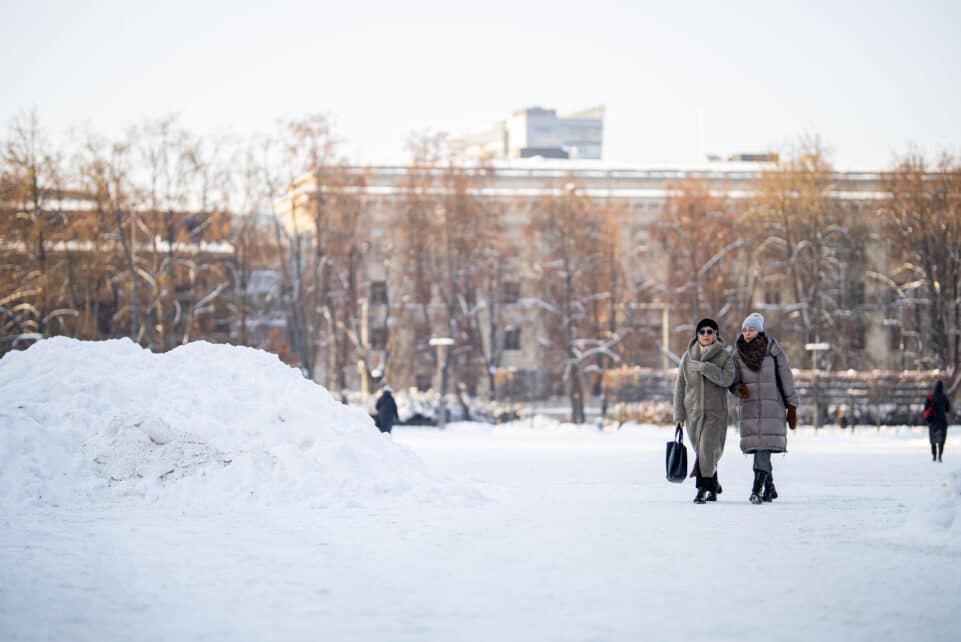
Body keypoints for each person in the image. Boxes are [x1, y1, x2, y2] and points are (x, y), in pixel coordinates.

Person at [730, 313, 800, 504]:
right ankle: (769, 488)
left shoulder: (773, 350)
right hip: (751, 409)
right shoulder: (736, 353)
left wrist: (792, 405)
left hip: (772, 408)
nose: (747, 333)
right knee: (761, 448)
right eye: (744, 330)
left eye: (751, 329)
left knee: (763, 448)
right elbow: (732, 380)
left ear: (759, 330)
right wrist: (738, 389)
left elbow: (786, 377)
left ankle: (756, 490)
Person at [673, 318, 736, 504]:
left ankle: (701, 489)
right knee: (703, 453)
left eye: (710, 331)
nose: (706, 335)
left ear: (716, 334)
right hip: (693, 414)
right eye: (702, 331)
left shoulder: (725, 356)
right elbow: (680, 388)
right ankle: (713, 486)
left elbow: (728, 379)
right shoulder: (687, 357)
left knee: (706, 449)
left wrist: (706, 368)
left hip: (715, 413)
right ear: (697, 334)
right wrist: (679, 416)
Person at [923, 380, 951, 462]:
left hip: (933, 421)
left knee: (933, 438)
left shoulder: (931, 397)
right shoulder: (944, 397)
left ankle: (934, 456)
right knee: (941, 439)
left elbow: (925, 408)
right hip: (942, 421)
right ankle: (940, 456)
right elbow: (947, 409)